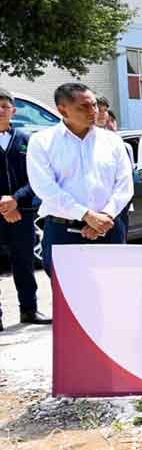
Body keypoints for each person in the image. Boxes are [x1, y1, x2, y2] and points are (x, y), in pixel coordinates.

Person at [28, 83, 133, 277]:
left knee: (114, 294)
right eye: (83, 107)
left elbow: (124, 185)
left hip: (109, 229)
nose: (92, 111)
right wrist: (86, 215)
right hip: (63, 232)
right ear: (62, 109)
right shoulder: (42, 141)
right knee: (68, 300)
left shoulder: (112, 141)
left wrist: (105, 216)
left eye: (93, 105)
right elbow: (45, 188)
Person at [0, 88, 49, 328]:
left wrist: (16, 201)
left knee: (25, 263)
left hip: (23, 212)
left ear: (13, 110)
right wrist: (4, 205)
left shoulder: (27, 140)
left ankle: (29, 310)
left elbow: (37, 178)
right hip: (2, 210)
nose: (0, 111)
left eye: (4, 106)